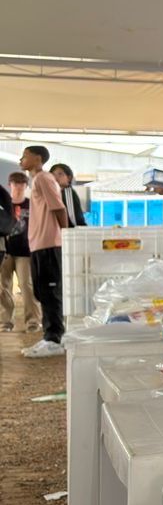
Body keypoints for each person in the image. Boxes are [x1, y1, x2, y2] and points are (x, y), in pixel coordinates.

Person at [20, 145, 69, 357]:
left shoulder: (43, 178)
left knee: (50, 292)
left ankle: (55, 339)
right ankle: (49, 336)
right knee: (41, 292)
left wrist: (66, 237)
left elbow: (59, 208)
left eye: (25, 156)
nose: (21, 159)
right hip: (39, 244)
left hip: (49, 244)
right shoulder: (36, 181)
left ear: (38, 158)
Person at [1, 171, 39, 333]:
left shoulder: (32, 204)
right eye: (15, 184)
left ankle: (33, 321)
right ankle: (7, 321)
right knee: (3, 287)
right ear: (10, 185)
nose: (18, 187)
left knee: (26, 285)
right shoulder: (3, 204)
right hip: (5, 250)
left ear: (26, 186)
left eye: (21, 184)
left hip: (25, 251)